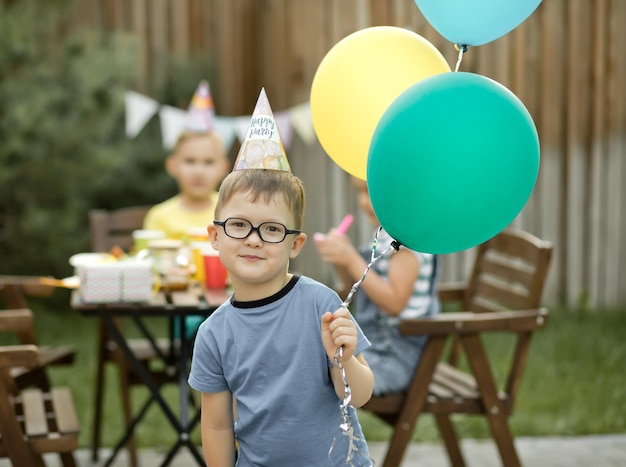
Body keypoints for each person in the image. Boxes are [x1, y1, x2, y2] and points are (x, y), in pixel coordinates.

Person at [188, 89, 374, 466]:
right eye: (239, 225)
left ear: (295, 244)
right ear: (215, 236)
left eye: (272, 230)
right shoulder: (213, 333)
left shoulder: (320, 306)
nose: (254, 240)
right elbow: (218, 426)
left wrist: (347, 359)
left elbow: (359, 393)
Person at [314, 176, 440, 395]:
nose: (364, 202)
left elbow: (394, 303)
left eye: (371, 193)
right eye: (361, 192)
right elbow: (357, 285)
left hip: (395, 356)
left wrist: (352, 259)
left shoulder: (409, 243)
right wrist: (342, 261)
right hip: (377, 345)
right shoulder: (388, 234)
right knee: (316, 367)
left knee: (324, 377)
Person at [143, 82, 230, 240]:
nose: (199, 171)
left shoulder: (232, 213)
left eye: (208, 162)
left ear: (223, 168)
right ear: (172, 165)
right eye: (190, 161)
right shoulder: (159, 217)